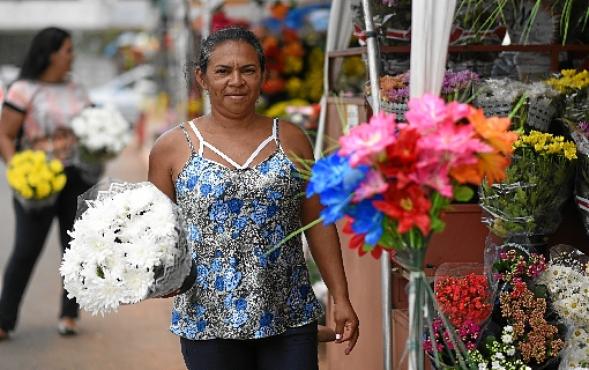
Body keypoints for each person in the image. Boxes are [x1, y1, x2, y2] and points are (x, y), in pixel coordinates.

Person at [148, 27, 359, 370]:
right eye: (222, 71)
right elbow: (156, 232)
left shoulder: (291, 139)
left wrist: (341, 297)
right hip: (207, 323)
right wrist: (161, 276)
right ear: (202, 78)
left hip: (288, 315)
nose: (236, 81)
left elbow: (318, 223)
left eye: (248, 70)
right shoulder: (171, 148)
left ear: (263, 76)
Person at [0, 27, 94, 340]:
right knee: (26, 249)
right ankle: (4, 319)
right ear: (51, 53)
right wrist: (19, 171)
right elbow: (5, 135)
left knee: (76, 248)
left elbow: (92, 126)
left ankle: (70, 315)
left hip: (76, 176)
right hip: (39, 179)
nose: (72, 55)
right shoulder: (24, 90)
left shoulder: (76, 88)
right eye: (68, 49)